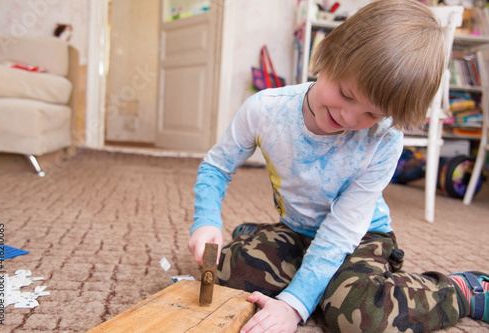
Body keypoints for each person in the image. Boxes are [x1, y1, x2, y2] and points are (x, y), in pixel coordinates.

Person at [187, 0, 489, 332]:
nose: (348, 117)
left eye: (372, 114)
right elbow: (217, 165)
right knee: (231, 272)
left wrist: (293, 305)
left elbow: (341, 232)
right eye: (346, 93)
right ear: (328, 52)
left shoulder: (385, 140)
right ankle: (269, 242)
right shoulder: (264, 110)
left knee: (355, 312)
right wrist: (206, 220)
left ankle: (463, 291)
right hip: (298, 228)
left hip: (361, 235)